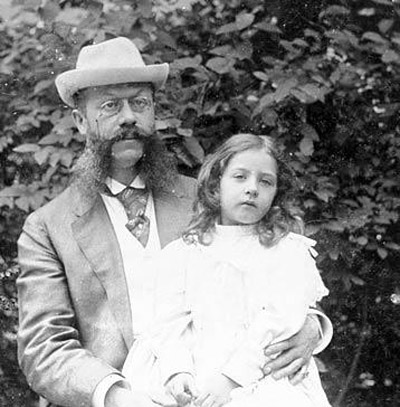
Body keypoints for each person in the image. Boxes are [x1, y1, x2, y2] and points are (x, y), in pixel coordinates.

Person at [16, 37, 332, 407]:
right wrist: (119, 397)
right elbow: (44, 348)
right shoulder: (48, 227)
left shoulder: (208, 200)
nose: (129, 117)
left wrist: (313, 325)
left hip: (216, 392)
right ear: (80, 121)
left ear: (153, 112)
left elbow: (271, 269)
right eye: (110, 106)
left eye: (139, 103)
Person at [123, 133, 332, 407]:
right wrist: (177, 371)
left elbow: (280, 321)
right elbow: (167, 321)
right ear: (215, 185)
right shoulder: (184, 252)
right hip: (198, 378)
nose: (252, 188)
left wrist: (231, 380)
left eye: (265, 181)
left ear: (276, 193)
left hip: (262, 377)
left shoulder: (288, 251)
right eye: (240, 177)